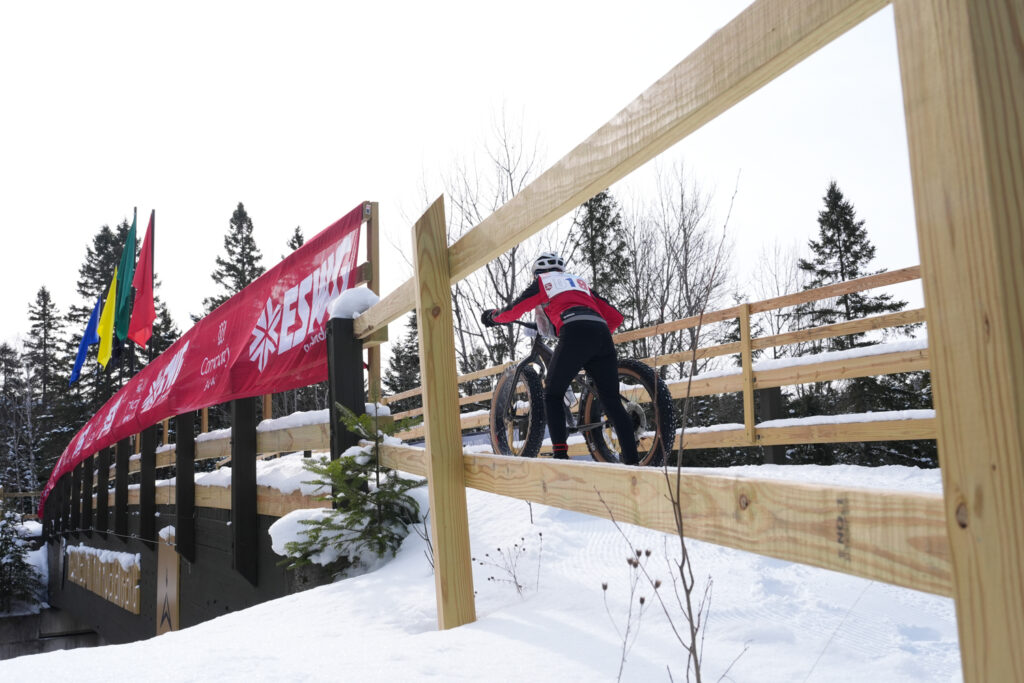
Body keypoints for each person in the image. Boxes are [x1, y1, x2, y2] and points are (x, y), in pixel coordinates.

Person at [481, 251, 639, 464]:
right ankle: (633, 464)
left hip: (574, 331)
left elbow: (514, 309)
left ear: (537, 272)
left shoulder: (543, 281)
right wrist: (592, 339)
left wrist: (493, 316)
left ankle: (561, 455)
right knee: (612, 402)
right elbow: (615, 317)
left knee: (552, 394)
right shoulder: (579, 283)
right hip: (602, 335)